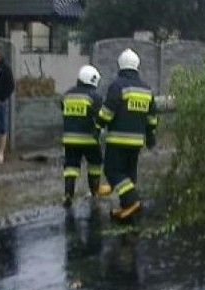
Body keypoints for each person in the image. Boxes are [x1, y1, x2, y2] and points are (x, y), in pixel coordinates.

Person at [97, 48, 158, 222]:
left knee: (113, 170)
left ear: (120, 65)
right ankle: (127, 207)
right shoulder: (146, 89)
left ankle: (132, 201)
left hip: (118, 140)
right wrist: (151, 136)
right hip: (137, 141)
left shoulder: (117, 86)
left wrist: (98, 124)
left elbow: (108, 112)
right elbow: (152, 117)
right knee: (129, 173)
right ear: (137, 66)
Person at [61, 64, 112, 208]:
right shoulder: (94, 96)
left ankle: (68, 194)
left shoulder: (67, 94)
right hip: (89, 139)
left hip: (69, 138)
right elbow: (100, 115)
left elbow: (63, 110)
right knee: (95, 164)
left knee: (71, 166)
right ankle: (95, 191)